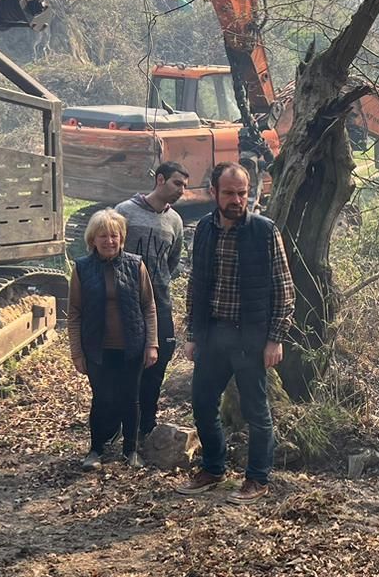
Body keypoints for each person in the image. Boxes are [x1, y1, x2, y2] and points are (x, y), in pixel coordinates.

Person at [180, 162, 293, 502]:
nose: (236, 199)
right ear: (213, 192)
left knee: (256, 412)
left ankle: (257, 479)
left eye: (242, 193)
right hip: (213, 334)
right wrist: (192, 333)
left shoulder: (264, 230)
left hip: (251, 337)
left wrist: (275, 338)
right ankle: (213, 468)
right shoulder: (204, 229)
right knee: (202, 403)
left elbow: (284, 289)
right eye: (229, 193)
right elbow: (196, 285)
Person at [68, 208, 158, 468]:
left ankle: (131, 451)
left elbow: (149, 306)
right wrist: (77, 353)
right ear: (92, 240)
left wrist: (152, 343)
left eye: (114, 235)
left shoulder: (135, 264)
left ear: (122, 238)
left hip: (132, 346)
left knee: (131, 398)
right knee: (102, 398)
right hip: (97, 348)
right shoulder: (82, 268)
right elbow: (74, 313)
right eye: (103, 236)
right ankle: (95, 450)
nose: (109, 241)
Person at [114, 161, 188, 457]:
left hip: (161, 302)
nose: (182, 190)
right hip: (125, 303)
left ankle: (146, 425)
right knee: (123, 365)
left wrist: (159, 282)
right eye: (177, 184)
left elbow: (174, 261)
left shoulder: (176, 221)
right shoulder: (125, 211)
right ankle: (118, 425)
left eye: (183, 185)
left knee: (158, 364)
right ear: (159, 180)